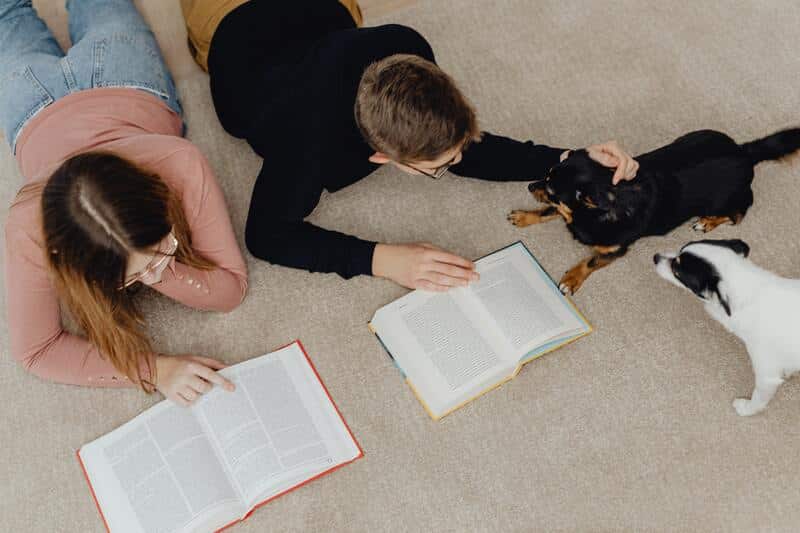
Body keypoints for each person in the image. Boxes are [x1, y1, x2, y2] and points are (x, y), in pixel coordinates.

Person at [182, 0, 639, 292]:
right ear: (381, 157)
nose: (459, 161)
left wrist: (568, 158)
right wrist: (382, 259)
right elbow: (266, 235)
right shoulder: (307, 145)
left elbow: (466, 149)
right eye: (438, 166)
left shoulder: (406, 46)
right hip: (229, 19)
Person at [1, 0, 248, 406]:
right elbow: (37, 351)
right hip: (36, 106)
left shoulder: (177, 163)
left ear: (154, 197)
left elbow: (231, 290)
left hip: (120, 74)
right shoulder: (28, 227)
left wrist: (157, 269)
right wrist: (156, 369)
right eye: (132, 277)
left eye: (160, 250)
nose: (150, 276)